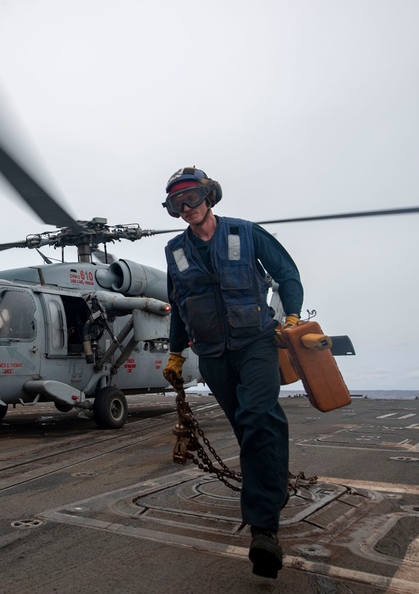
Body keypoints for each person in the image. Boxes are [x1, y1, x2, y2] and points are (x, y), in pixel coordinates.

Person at [160, 167, 303, 579]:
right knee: (250, 432)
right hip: (212, 356)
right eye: (177, 203)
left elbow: (287, 273)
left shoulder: (245, 232)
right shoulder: (175, 252)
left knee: (258, 417)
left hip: (256, 343)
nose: (187, 208)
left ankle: (264, 532)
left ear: (210, 196)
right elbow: (179, 305)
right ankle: (270, 493)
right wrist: (174, 354)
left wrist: (291, 313)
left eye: (192, 197)